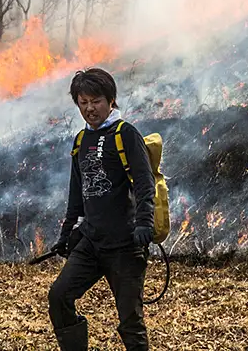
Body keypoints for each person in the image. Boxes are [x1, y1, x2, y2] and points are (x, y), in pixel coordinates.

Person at [48, 68, 155, 351]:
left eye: (95, 101)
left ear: (110, 100)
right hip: (92, 242)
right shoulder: (81, 141)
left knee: (130, 321)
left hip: (125, 245)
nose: (89, 108)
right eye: (83, 102)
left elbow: (144, 183)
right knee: (59, 296)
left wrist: (144, 222)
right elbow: (76, 193)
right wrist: (65, 234)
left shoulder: (126, 134)